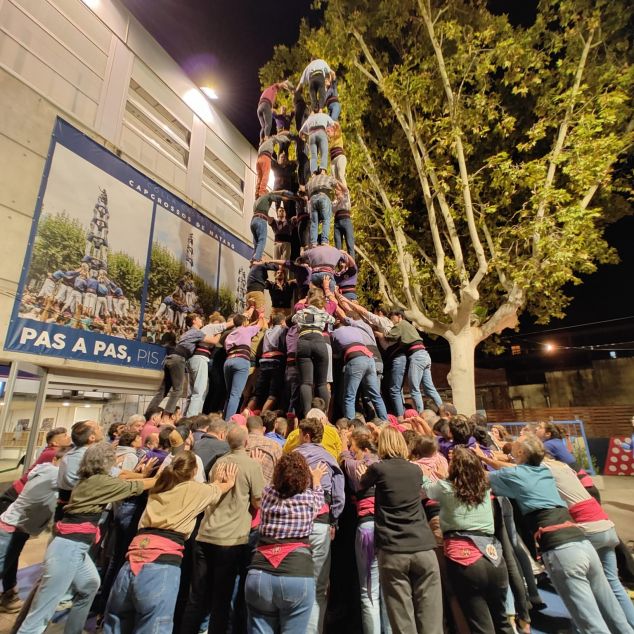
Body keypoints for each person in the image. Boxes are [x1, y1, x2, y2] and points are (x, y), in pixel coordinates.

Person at [478, 436, 634, 634]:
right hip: (581, 540)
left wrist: (472, 458)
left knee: (590, 622)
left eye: (514, 448)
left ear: (520, 454)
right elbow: (507, 468)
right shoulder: (546, 470)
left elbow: (482, 476)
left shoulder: (517, 474)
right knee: (612, 609)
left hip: (562, 549)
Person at [17, 443, 156, 634]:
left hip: (76, 547)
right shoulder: (101, 483)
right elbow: (135, 486)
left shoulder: (90, 478)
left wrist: (143, 473)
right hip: (69, 548)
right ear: (106, 462)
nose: (118, 461)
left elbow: (123, 476)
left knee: (89, 586)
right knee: (40, 615)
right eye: (114, 459)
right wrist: (163, 476)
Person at [102, 453, 238, 634]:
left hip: (133, 558)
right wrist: (224, 479)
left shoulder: (159, 487)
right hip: (161, 565)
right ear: (195, 471)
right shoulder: (195, 490)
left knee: (116, 623)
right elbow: (222, 487)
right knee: (155, 625)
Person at [357, 427, 443, 634]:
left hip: (393, 549)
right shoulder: (415, 470)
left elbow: (362, 484)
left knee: (402, 619)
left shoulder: (378, 469)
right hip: (423, 547)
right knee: (431, 617)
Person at [179, 426, 264, 634]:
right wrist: (257, 469)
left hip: (206, 534)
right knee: (221, 599)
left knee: (197, 596)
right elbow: (258, 501)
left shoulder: (219, 462)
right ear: (246, 443)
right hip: (230, 540)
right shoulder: (252, 465)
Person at [423, 447, 513, 634]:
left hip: (464, 559)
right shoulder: (485, 486)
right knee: (502, 621)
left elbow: (428, 491)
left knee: (480, 623)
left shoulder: (446, 487)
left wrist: (426, 474)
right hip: (493, 555)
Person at [245, 453, 327, 633]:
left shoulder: (267, 494)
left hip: (259, 574)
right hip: (296, 575)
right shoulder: (309, 499)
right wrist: (316, 479)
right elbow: (320, 497)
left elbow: (263, 488)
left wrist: (257, 466)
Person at [293, 418, 345, 634]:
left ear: (305, 435)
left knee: (293, 579)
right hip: (322, 523)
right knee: (318, 585)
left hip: (294, 524)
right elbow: (338, 495)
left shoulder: (293, 457)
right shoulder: (329, 458)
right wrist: (334, 520)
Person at [339, 427, 389, 634]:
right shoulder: (385, 465)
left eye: (355, 450)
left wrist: (343, 440)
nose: (352, 452)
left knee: (368, 592)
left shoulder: (356, 467)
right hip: (388, 528)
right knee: (388, 591)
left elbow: (344, 458)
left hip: (367, 528)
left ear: (365, 450)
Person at [330, 309, 388, 421]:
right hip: (370, 359)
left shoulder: (335, 333)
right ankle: (385, 421)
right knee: (375, 395)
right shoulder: (355, 328)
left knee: (349, 396)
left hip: (355, 360)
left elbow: (335, 354)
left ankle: (351, 425)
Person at [381, 309, 442, 414]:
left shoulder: (401, 324)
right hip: (425, 355)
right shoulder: (409, 325)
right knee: (429, 388)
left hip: (417, 356)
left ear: (399, 316)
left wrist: (378, 333)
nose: (392, 321)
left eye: (392, 318)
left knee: (414, 389)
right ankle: (443, 410)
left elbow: (389, 336)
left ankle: (420, 414)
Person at [293, 289, 335, 417]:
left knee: (306, 382)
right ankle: (323, 414)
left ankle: (307, 414)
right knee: (322, 383)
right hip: (319, 341)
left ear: (308, 298)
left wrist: (303, 303)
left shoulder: (300, 312)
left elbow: (293, 319)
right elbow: (332, 320)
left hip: (303, 342)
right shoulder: (323, 313)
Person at [224, 313, 265, 420]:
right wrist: (260, 315)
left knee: (229, 394)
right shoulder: (247, 330)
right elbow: (260, 324)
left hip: (228, 361)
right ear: (243, 323)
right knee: (235, 395)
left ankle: (225, 417)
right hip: (241, 361)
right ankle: (229, 421)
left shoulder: (230, 334)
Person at [179, 314, 222, 417]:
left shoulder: (193, 332)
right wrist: (219, 330)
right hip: (200, 359)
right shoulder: (199, 331)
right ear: (194, 320)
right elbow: (214, 341)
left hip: (192, 360)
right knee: (199, 392)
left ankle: (185, 417)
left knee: (192, 392)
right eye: (199, 318)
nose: (201, 319)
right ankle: (192, 418)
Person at [248, 313, 287, 412]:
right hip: (276, 362)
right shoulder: (283, 330)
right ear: (282, 321)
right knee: (273, 393)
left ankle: (246, 413)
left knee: (258, 393)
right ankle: (264, 417)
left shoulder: (267, 331)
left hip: (264, 362)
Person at [146, 332, 188, 416]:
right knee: (178, 390)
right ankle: (167, 414)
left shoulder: (167, 347)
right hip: (177, 360)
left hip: (167, 361)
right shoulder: (180, 347)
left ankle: (148, 414)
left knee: (163, 390)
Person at [251, 191, 297, 263]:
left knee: (285, 263)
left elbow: (295, 219)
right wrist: (288, 197)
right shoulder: (274, 221)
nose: (281, 211)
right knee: (262, 242)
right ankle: (256, 259)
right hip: (277, 243)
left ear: (285, 213)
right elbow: (279, 198)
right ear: (277, 213)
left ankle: (255, 257)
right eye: (280, 210)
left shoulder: (289, 221)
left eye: (283, 210)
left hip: (286, 243)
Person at [300, 111, 336, 176]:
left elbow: (301, 132)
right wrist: (330, 133)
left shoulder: (309, 118)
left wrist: (304, 139)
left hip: (311, 135)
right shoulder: (324, 115)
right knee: (324, 152)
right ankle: (323, 171)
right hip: (321, 132)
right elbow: (333, 124)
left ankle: (313, 173)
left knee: (313, 155)